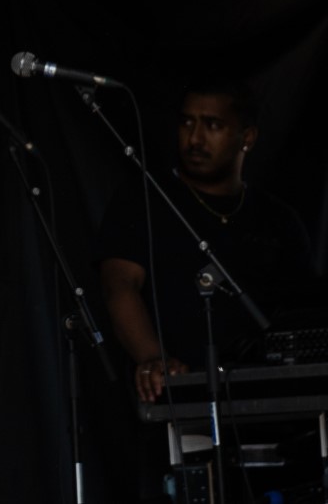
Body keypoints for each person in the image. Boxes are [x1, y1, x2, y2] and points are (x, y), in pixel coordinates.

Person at [97, 79, 312, 406]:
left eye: (213, 125)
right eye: (187, 122)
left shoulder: (279, 220)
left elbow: (303, 310)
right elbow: (119, 285)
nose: (195, 138)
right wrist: (155, 358)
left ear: (247, 138)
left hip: (266, 397)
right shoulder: (142, 199)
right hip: (180, 392)